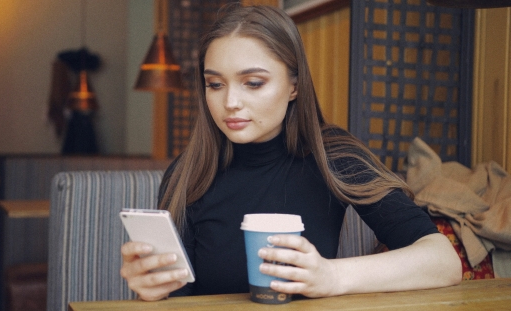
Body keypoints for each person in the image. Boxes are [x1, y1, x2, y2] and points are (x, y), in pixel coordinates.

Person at [121, 4, 461, 302]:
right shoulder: (188, 172)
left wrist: (331, 277)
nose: (230, 103)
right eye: (215, 84)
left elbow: (443, 262)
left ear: (294, 86)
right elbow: (176, 298)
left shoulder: (334, 156)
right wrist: (151, 289)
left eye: (253, 83)